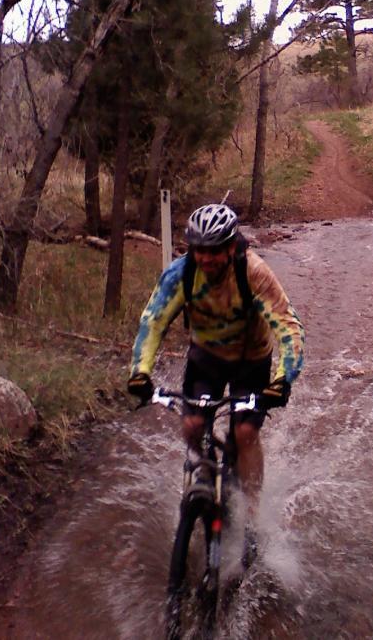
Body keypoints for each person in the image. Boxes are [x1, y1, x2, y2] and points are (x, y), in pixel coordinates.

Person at [128, 202, 304, 560]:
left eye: (213, 251)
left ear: (230, 247)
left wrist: (284, 379)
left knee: (244, 433)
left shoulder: (253, 273)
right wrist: (140, 373)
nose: (205, 259)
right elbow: (153, 323)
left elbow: (287, 327)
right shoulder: (181, 274)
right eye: (199, 250)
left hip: (251, 361)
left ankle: (251, 515)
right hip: (206, 358)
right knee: (192, 424)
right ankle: (201, 479)